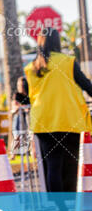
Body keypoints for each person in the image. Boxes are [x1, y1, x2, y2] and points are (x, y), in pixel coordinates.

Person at [24, 27, 92, 192]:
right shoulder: (67, 62)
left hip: (43, 122)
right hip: (68, 120)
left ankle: (60, 207)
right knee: (70, 164)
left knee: (52, 165)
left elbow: (28, 96)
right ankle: (68, 203)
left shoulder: (32, 67)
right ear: (57, 41)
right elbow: (86, 85)